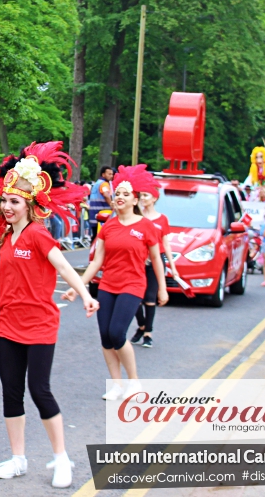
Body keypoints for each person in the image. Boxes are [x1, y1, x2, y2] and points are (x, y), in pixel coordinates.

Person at [0, 142, 95, 488]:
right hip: (8, 323)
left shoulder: (38, 235)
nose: (7, 207)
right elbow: (7, 283)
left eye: (15, 202)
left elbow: (64, 266)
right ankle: (18, 458)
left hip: (39, 325)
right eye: (5, 201)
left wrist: (84, 294)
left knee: (40, 390)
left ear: (30, 205)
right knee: (11, 392)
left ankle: (61, 458)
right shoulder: (7, 238)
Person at [78, 165, 166, 401]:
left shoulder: (146, 226)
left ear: (135, 199)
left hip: (133, 285)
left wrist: (163, 288)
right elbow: (97, 261)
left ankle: (134, 381)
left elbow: (156, 258)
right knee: (105, 336)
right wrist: (78, 287)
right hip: (107, 285)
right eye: (118, 193)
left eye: (126, 194)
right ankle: (117, 384)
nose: (120, 197)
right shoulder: (109, 226)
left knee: (117, 333)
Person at [131, 180, 184, 348]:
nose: (143, 198)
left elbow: (166, 244)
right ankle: (141, 325)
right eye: (141, 196)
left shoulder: (162, 219)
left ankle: (148, 333)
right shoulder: (137, 217)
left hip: (156, 259)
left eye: (146, 195)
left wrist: (173, 268)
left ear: (154, 198)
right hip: (138, 259)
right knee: (134, 296)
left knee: (150, 297)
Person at [87, 165, 114, 239]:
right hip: (102, 216)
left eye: (112, 174)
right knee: (100, 238)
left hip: (94, 215)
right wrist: (112, 206)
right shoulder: (104, 184)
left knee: (95, 237)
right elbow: (106, 195)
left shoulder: (97, 183)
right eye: (109, 174)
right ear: (103, 174)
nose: (111, 176)